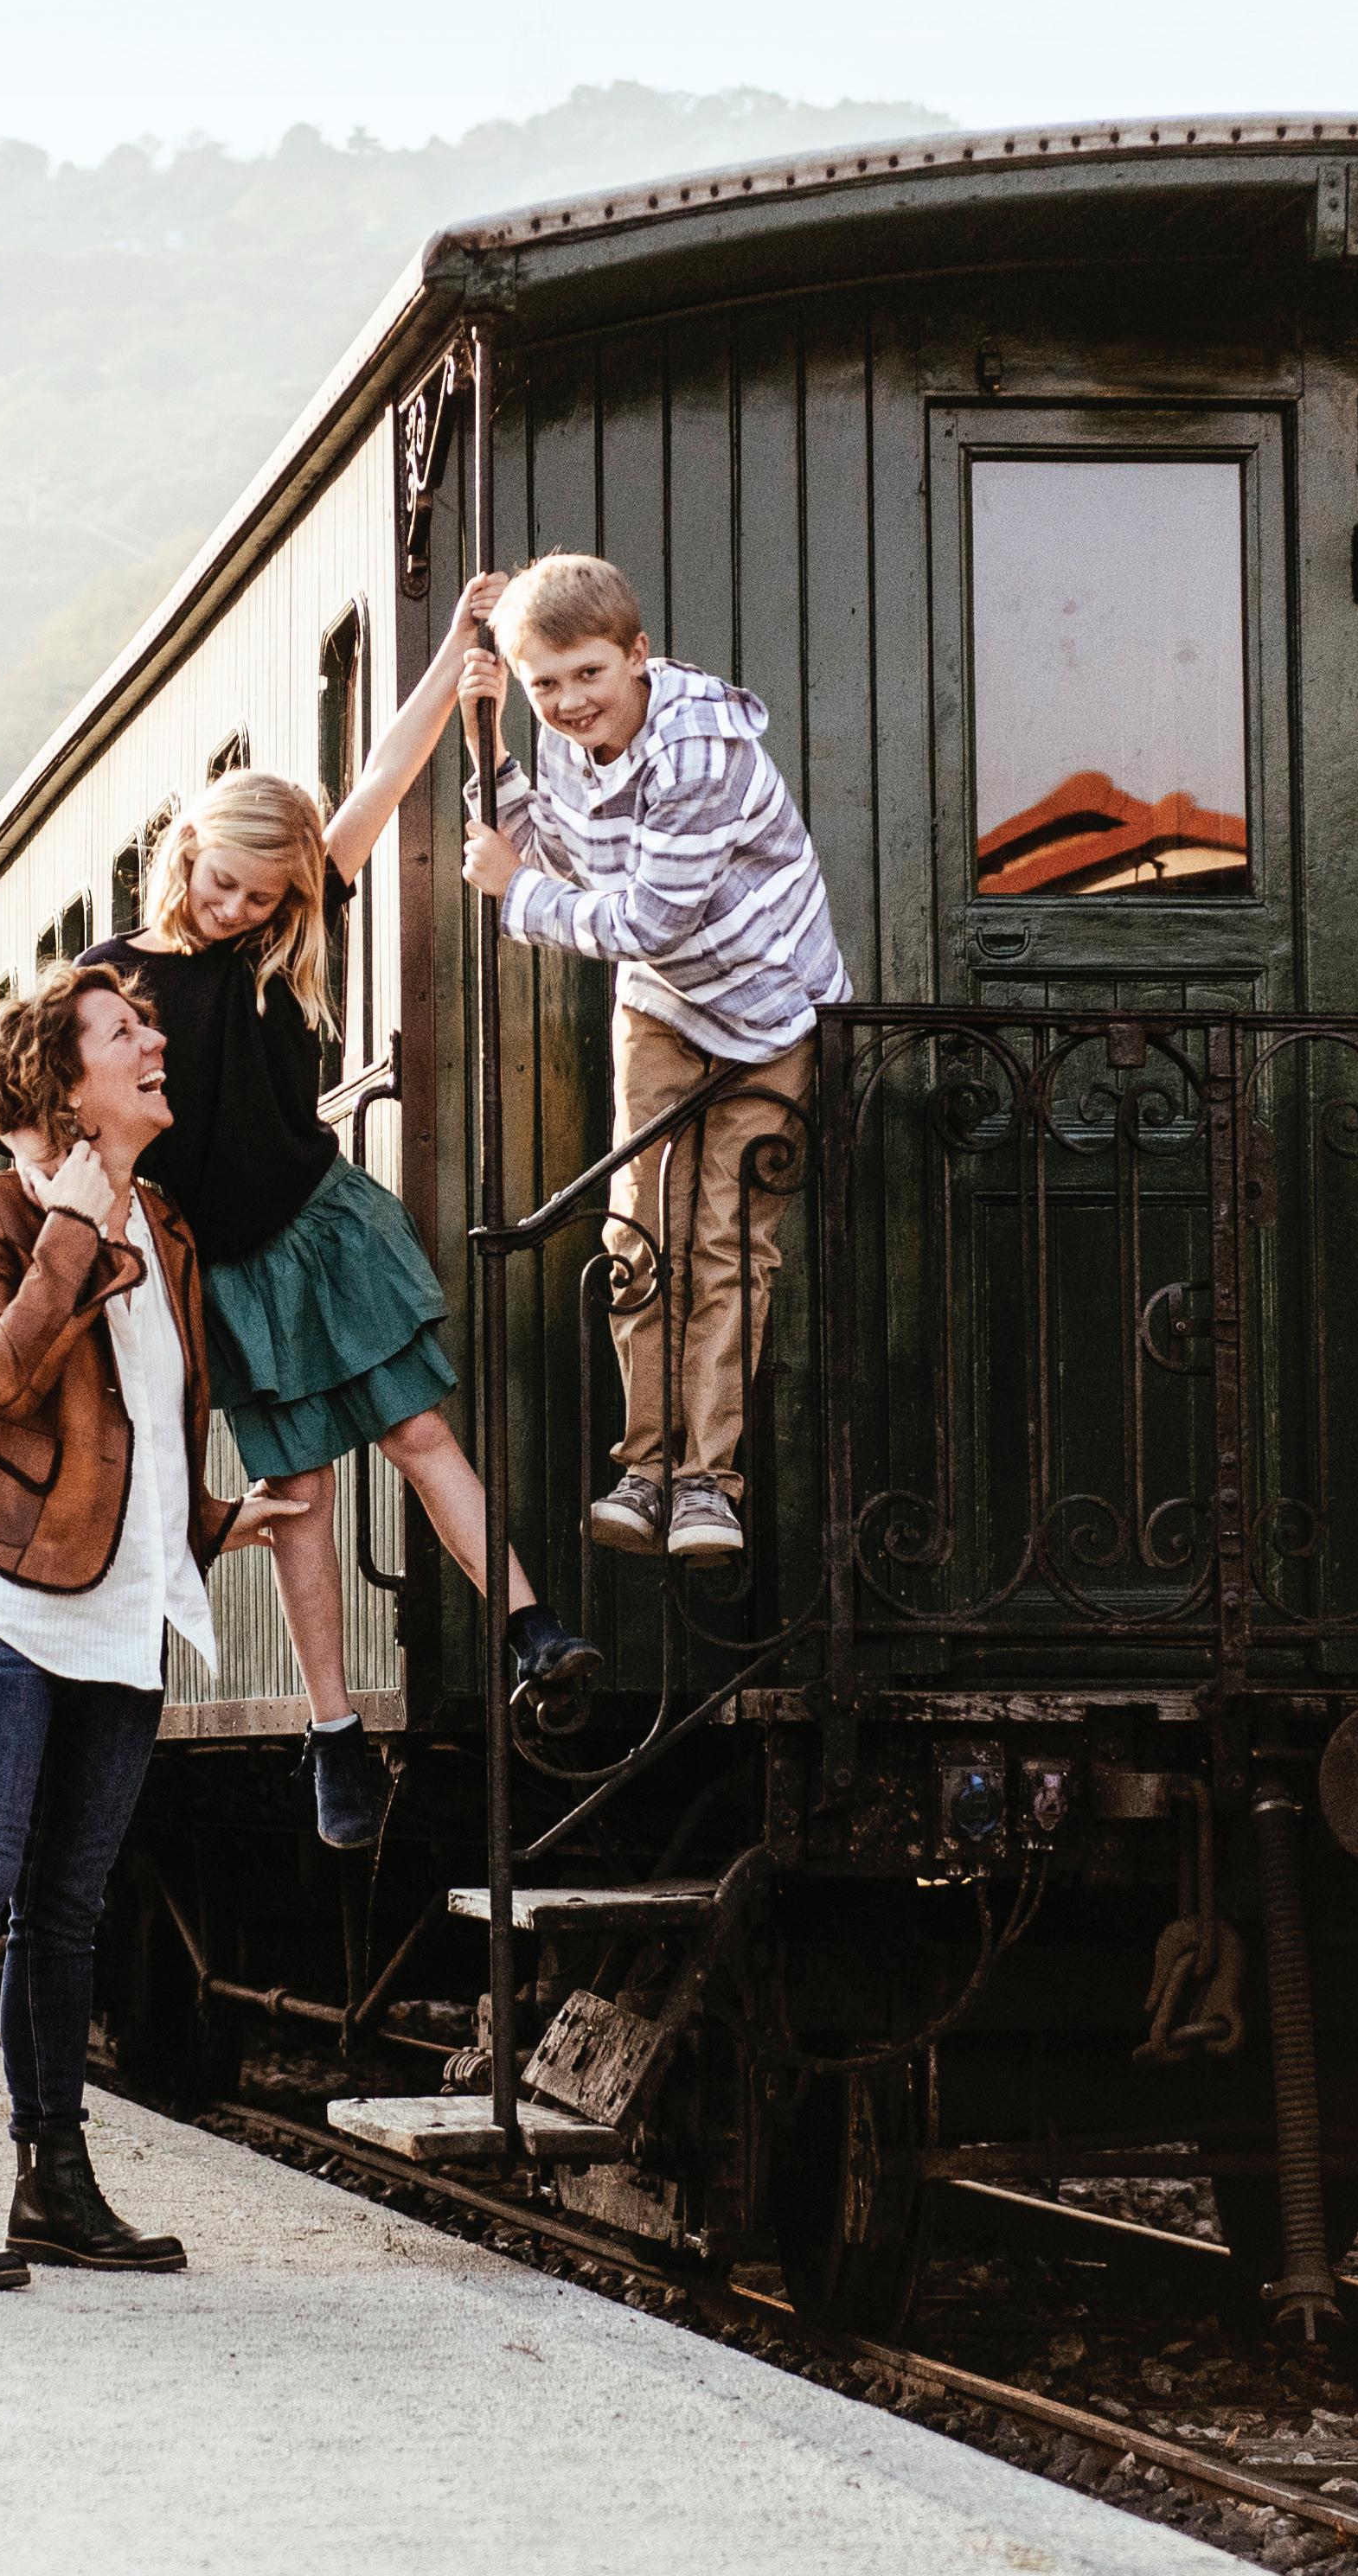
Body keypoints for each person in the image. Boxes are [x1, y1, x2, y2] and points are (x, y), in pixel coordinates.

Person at [83, 573, 600, 1854]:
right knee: (298, 1495)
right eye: (223, 886)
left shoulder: (282, 931)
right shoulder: (115, 977)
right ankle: (332, 1734)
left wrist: (459, 649)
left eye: (263, 899)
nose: (238, 911)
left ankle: (531, 1626)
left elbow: (384, 774)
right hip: (224, 1266)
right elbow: (49, 1101)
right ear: (188, 854)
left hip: (321, 1227)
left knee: (420, 1431)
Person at [0, 962, 298, 2288]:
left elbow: (139, 1426)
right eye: (125, 1032)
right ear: (63, 1079)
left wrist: (217, 1520)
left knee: (66, 1913)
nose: (156, 1043)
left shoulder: (165, 1224)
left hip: (116, 1608)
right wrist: (70, 1220)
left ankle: (54, 2185)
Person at [458, 552, 850, 1563]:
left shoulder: (698, 754)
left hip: (771, 1011)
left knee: (727, 1242)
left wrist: (514, 892)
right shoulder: (566, 741)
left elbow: (648, 919)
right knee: (639, 1233)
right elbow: (564, 857)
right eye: (545, 684)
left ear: (637, 654)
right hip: (664, 1006)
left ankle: (707, 1485)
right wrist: (490, 747)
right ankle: (643, 1469)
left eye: (588, 673)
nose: (569, 701)